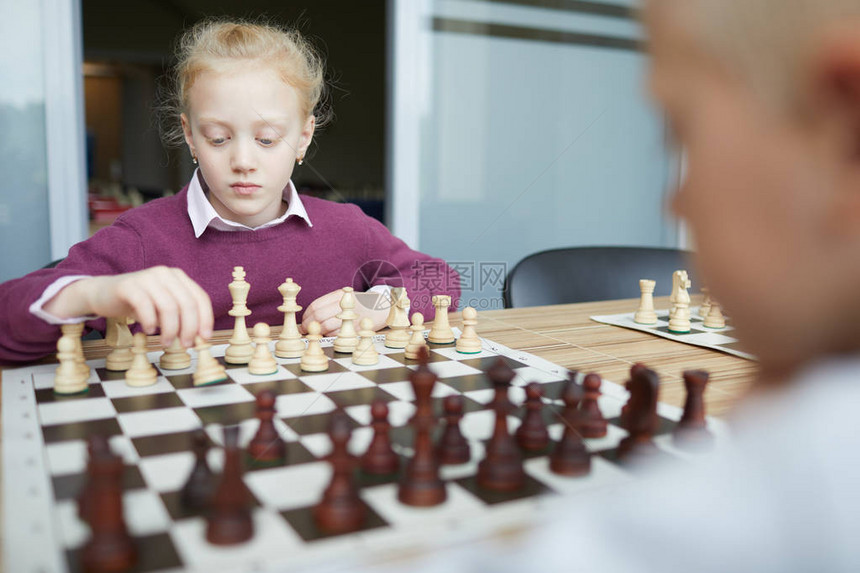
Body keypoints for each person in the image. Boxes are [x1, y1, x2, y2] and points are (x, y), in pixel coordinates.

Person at [353, 0, 860, 571]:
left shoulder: (806, 474)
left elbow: (436, 277)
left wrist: (373, 299)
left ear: (844, 136)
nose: (675, 198)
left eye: (680, 131)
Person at [0, 19, 460, 365]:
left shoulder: (348, 227)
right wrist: (94, 295)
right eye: (219, 137)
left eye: (266, 139)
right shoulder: (141, 237)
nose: (243, 160)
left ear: (302, 138)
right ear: (191, 137)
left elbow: (439, 279)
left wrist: (376, 303)